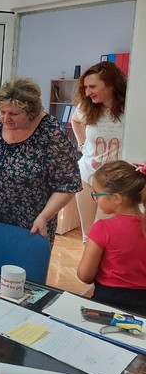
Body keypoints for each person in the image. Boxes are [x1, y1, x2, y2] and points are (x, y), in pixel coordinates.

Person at [0, 78, 81, 245]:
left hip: (32, 225)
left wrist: (44, 217)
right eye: (2, 111)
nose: (5, 118)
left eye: (14, 114)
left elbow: (68, 185)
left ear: (31, 111)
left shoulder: (51, 132)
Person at [77, 160, 146, 316]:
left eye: (96, 194)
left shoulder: (103, 228)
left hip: (107, 305)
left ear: (116, 198)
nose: (95, 199)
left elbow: (85, 275)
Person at [71, 61, 126, 243]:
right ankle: (87, 263)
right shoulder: (86, 107)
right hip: (87, 176)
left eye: (92, 87)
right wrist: (82, 143)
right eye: (85, 87)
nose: (87, 92)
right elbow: (75, 120)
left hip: (115, 182)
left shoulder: (130, 110)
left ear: (111, 84)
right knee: (88, 234)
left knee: (103, 234)